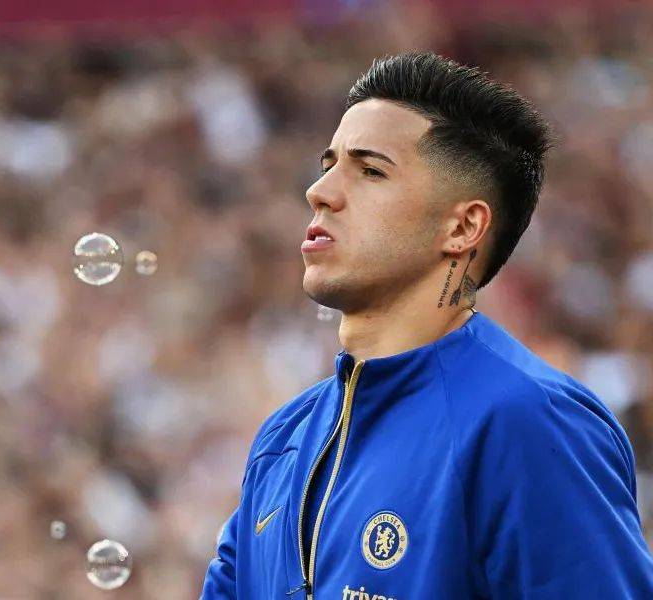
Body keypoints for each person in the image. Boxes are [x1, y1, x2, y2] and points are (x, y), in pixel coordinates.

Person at [201, 52, 653, 599]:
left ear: (462, 227)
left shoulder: (527, 421)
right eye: (328, 165)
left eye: (370, 171)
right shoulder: (283, 439)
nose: (319, 192)